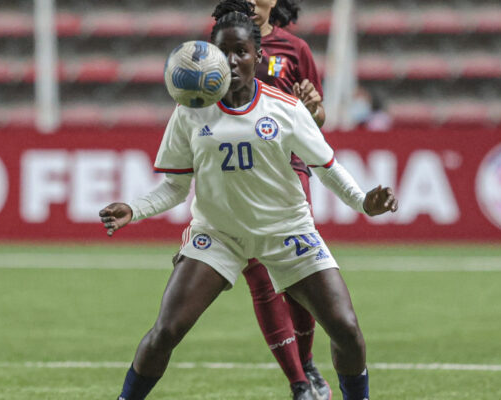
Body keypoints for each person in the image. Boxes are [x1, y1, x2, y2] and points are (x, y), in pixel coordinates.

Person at [100, 2, 398, 399]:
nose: (233, 59)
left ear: (259, 56)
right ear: (209, 55)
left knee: (346, 330)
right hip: (218, 235)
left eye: (241, 51)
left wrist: (363, 202)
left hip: (288, 231)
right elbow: (174, 187)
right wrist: (133, 210)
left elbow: (326, 166)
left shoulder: (286, 108)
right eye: (223, 51)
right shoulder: (190, 112)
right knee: (165, 332)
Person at [235, 0, 332, 398]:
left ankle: (306, 362)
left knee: (297, 274)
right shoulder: (218, 48)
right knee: (258, 274)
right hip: (235, 171)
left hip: (287, 169)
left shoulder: (296, 49)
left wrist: (312, 108)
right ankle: (299, 383)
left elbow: (319, 115)